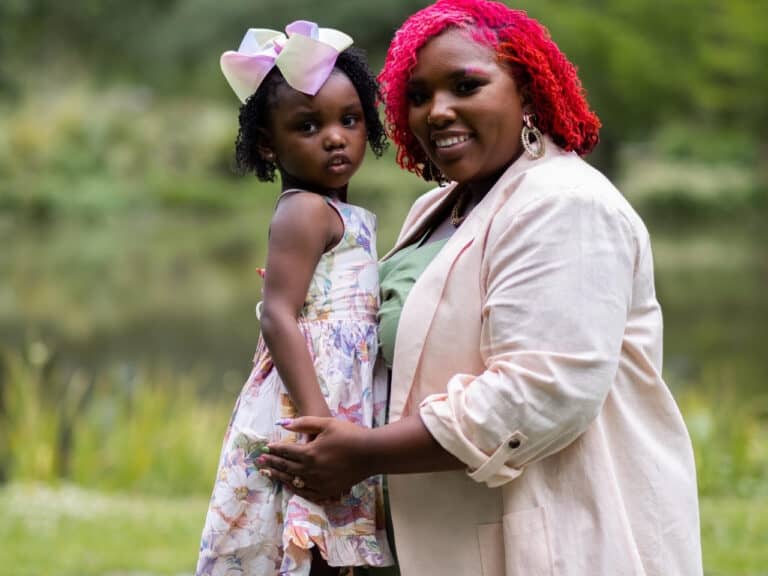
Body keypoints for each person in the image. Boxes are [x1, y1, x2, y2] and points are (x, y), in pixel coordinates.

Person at [258, 1, 703, 575]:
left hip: (549, 537)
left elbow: (540, 393)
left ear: (526, 90)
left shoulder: (565, 203)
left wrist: (362, 454)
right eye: (418, 96)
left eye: (465, 85)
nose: (438, 111)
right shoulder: (438, 206)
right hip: (435, 538)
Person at [195, 20, 393, 576]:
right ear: (268, 143)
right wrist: (317, 421)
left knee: (321, 545)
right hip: (313, 402)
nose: (335, 137)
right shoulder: (304, 209)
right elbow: (278, 316)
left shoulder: (330, 209)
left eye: (349, 120)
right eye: (308, 126)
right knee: (306, 540)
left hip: (331, 396)